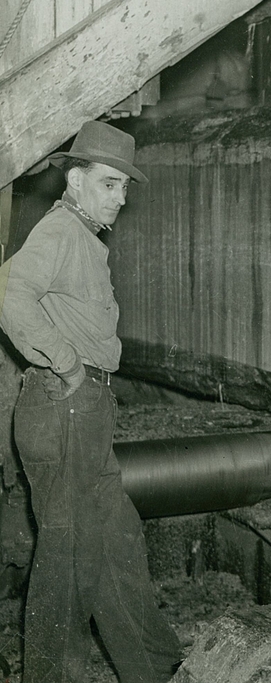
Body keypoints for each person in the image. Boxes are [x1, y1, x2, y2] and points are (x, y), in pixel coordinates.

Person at [0, 121, 182, 681]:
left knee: (116, 534)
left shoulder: (84, 238)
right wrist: (66, 361)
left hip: (85, 409)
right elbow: (9, 292)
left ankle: (152, 666)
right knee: (69, 549)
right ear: (75, 180)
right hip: (66, 405)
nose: (120, 198)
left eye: (124, 188)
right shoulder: (60, 233)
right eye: (109, 184)